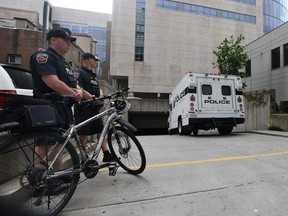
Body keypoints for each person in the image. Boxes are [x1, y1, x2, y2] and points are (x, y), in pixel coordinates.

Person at [30, 28, 84, 168]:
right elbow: (52, 82)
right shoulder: (44, 57)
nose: (69, 43)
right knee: (45, 143)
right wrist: (74, 93)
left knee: (60, 143)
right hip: (47, 105)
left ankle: (56, 177)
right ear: (53, 40)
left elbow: (71, 81)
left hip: (62, 107)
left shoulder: (63, 61)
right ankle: (40, 179)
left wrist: (77, 89)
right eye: (65, 40)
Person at [73, 52, 114, 162]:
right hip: (84, 108)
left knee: (101, 130)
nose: (95, 62)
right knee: (83, 135)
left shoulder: (92, 75)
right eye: (94, 60)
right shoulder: (78, 72)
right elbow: (79, 88)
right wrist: (92, 98)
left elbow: (98, 88)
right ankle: (84, 158)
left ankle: (106, 154)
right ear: (88, 60)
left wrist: (100, 96)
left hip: (94, 109)